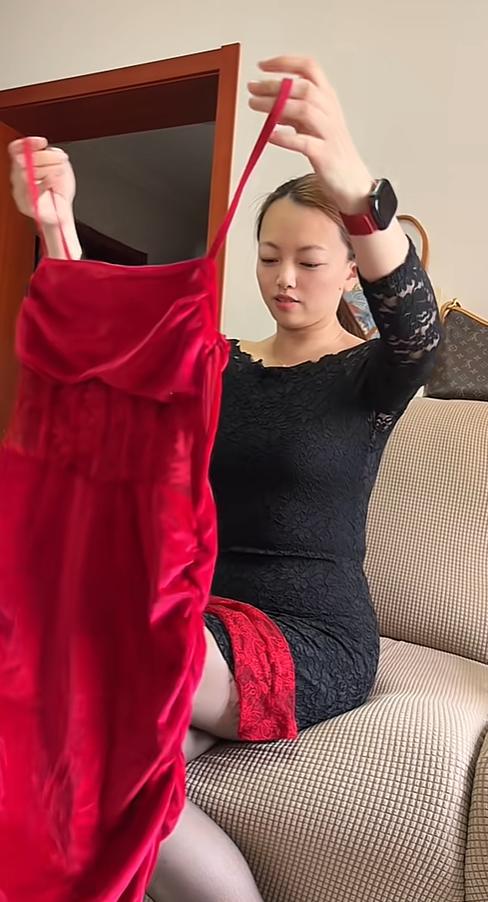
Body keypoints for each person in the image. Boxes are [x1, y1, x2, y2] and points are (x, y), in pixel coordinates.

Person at [9, 55, 441, 902]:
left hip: (306, 632)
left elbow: (420, 333)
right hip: (193, 609)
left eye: (309, 261)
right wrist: (59, 229)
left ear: (350, 269)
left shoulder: (370, 376)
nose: (285, 279)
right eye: (270, 257)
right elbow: (108, 371)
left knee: (99, 668)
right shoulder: (217, 362)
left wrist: (353, 180)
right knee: (100, 772)